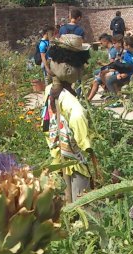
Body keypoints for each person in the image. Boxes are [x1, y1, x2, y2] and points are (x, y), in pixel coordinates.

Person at [43, 34, 101, 202]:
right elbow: (79, 122)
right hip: (73, 161)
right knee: (82, 202)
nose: (82, 71)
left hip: (57, 156)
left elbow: (45, 123)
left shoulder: (49, 91)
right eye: (81, 67)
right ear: (69, 69)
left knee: (63, 200)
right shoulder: (72, 103)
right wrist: (88, 147)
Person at [86, 33, 122, 101]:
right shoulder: (111, 50)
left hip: (114, 71)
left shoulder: (112, 51)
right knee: (96, 80)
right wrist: (102, 64)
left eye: (101, 43)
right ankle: (88, 99)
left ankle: (107, 90)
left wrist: (103, 66)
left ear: (106, 41)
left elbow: (113, 66)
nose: (101, 44)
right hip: (111, 70)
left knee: (98, 75)